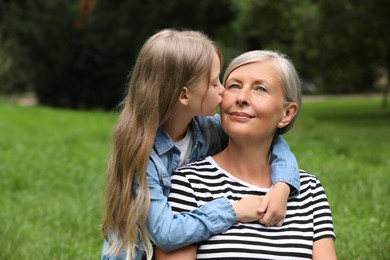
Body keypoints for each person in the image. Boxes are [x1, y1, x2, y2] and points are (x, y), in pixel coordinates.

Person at [101, 30, 300, 260]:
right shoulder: (143, 153)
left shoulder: (207, 130)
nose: (224, 91)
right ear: (185, 95)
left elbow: (272, 140)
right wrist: (234, 210)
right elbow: (165, 234)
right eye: (215, 82)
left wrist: (283, 185)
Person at [156, 50, 337, 259]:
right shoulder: (187, 183)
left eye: (260, 89)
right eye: (234, 86)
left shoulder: (309, 191)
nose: (241, 98)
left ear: (287, 113)